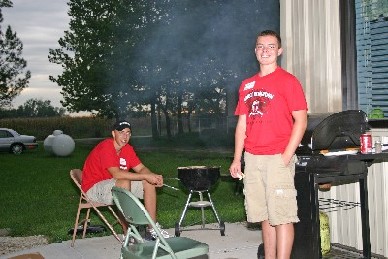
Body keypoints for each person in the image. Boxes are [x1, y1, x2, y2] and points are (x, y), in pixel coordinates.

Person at [229, 30, 308, 259]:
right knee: (265, 216)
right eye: (261, 46)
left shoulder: (288, 81)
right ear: (255, 51)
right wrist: (237, 158)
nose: (265, 50)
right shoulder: (246, 85)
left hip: (277, 157)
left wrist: (285, 157)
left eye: (271, 46)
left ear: (279, 51)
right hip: (253, 158)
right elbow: (242, 126)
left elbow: (301, 122)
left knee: (282, 216)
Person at [81, 120, 170, 240]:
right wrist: (145, 176)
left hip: (113, 185)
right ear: (113, 133)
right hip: (93, 189)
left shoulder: (127, 149)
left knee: (148, 183)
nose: (125, 136)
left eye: (128, 133)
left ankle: (152, 229)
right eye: (121, 132)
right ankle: (128, 233)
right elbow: (117, 174)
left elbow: (141, 168)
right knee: (124, 182)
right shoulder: (106, 146)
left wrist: (153, 177)